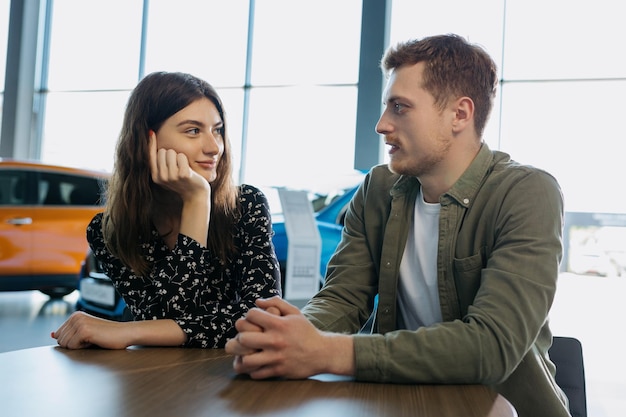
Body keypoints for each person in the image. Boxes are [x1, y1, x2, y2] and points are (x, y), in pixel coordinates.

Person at [225, 34, 570, 417]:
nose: (381, 124)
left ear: (459, 114)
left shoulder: (527, 192)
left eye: (400, 107)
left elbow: (491, 347)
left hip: (505, 408)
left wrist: (325, 351)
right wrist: (289, 337)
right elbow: (342, 298)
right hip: (400, 401)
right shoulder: (378, 188)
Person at [52, 72, 281, 349]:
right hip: (155, 379)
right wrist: (197, 204)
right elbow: (164, 316)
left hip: (234, 374)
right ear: (148, 140)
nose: (214, 147)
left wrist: (130, 332)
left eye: (217, 130)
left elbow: (263, 321)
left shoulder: (246, 205)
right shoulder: (110, 230)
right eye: (193, 130)